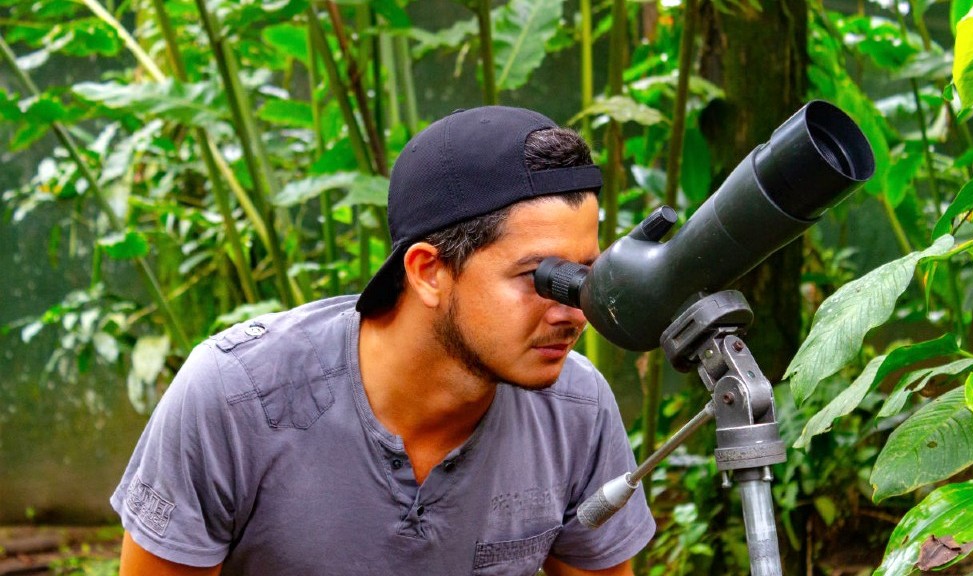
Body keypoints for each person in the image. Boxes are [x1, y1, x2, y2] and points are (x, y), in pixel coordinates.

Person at [112, 106, 656, 576]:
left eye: (586, 274)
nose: (572, 311)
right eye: (541, 277)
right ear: (427, 272)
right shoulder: (236, 398)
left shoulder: (576, 410)